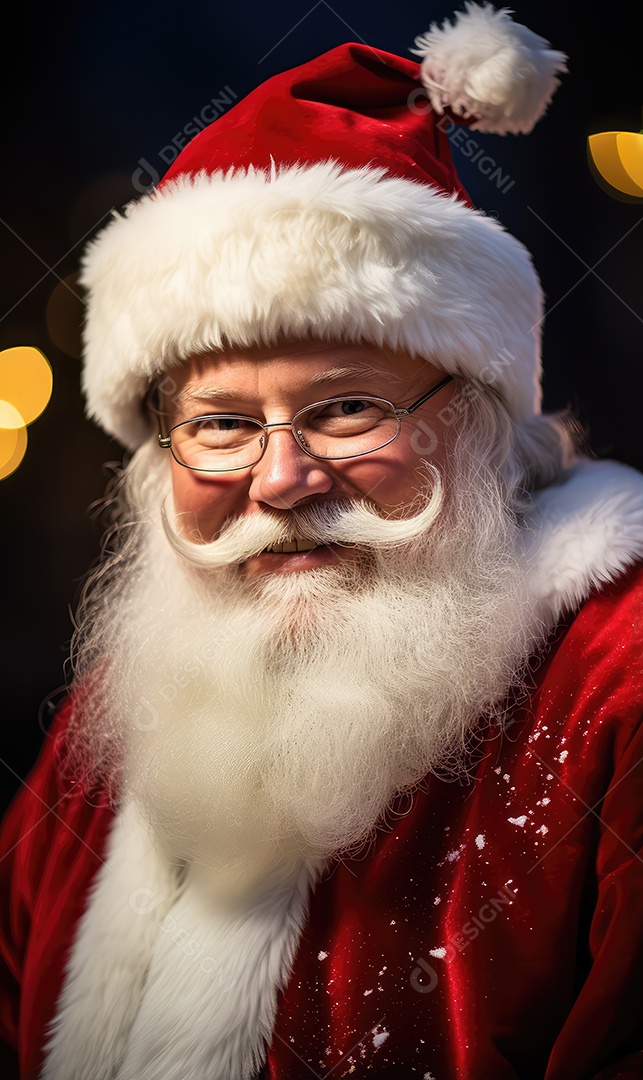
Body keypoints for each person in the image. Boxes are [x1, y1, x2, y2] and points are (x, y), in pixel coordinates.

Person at [1, 4, 642, 1078]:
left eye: (346, 409)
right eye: (219, 425)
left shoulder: (617, 694)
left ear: (482, 419)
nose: (281, 477)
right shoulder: (126, 711)